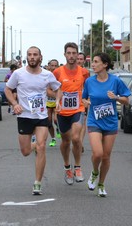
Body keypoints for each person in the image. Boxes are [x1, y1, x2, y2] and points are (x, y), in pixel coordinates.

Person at [5, 46, 61, 196]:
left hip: (41, 116)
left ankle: (37, 183)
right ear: (26, 57)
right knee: (25, 151)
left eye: (35, 55)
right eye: (29, 55)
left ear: (40, 57)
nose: (32, 57)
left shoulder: (47, 74)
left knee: (42, 147)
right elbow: (7, 90)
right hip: (24, 116)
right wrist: (15, 104)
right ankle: (35, 144)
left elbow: (58, 89)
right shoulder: (18, 74)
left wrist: (57, 101)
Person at [82, 52, 131, 197]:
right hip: (94, 120)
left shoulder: (115, 81)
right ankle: (94, 172)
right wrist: (85, 102)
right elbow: (84, 98)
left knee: (106, 156)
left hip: (110, 122)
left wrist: (116, 97)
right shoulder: (89, 82)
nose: (93, 64)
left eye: (96, 62)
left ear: (105, 64)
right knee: (98, 153)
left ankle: (101, 184)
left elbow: (126, 100)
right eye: (93, 62)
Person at [53, 42, 89, 186]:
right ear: (65, 54)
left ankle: (78, 167)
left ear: (77, 54)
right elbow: (51, 89)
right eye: (69, 53)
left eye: (74, 53)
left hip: (78, 109)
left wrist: (87, 100)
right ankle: (67, 167)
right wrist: (57, 100)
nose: (72, 56)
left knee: (76, 138)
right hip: (62, 112)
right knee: (66, 142)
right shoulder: (58, 72)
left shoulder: (84, 72)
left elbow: (87, 89)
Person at [46, 59, 61, 147]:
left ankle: (58, 128)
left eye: (56, 66)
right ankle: (53, 138)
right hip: (47, 101)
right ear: (49, 66)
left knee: (55, 120)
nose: (54, 67)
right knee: (48, 121)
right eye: (52, 65)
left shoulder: (59, 76)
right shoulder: (46, 76)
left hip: (56, 101)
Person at [77, 51, 88, 152]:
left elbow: (87, 86)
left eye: (81, 59)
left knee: (83, 121)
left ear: (84, 61)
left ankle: (80, 142)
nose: (79, 61)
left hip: (82, 99)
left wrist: (86, 99)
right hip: (70, 101)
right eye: (78, 59)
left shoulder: (85, 72)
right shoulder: (67, 70)